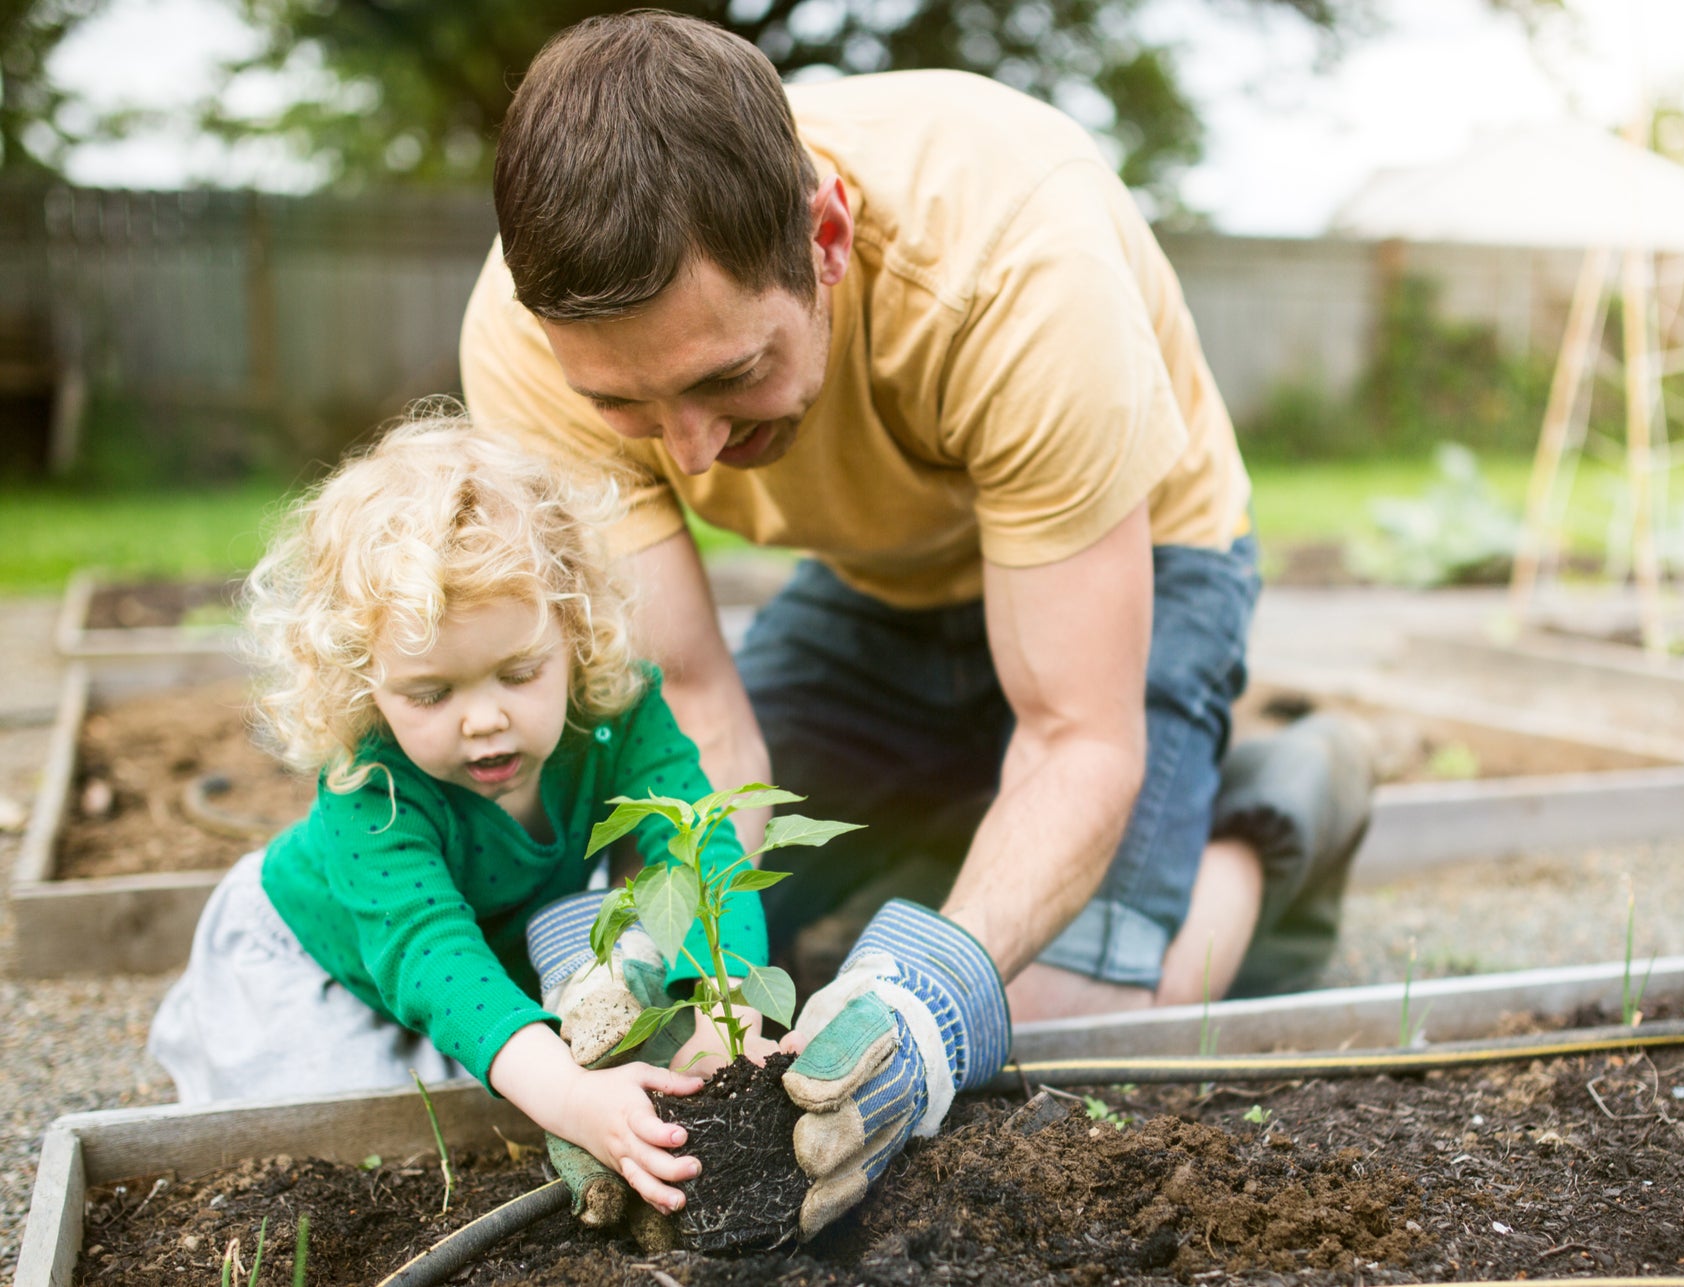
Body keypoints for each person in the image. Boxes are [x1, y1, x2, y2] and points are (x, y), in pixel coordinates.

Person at [459, 12, 1374, 1236]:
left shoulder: (1017, 267)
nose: (691, 451)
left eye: (730, 376)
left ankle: (1272, 814)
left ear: (826, 239)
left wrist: (935, 999)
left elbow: (1073, 737)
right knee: (688, 977)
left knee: (1055, 1022)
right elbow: (699, 715)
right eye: (629, 404)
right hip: (878, 584)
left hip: (1139, 561)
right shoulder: (531, 346)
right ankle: (954, 823)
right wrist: (641, 992)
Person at [147, 413, 776, 1218]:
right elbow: (429, 953)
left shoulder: (617, 710)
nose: (483, 719)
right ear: (362, 680)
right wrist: (573, 1101)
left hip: (480, 941)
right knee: (353, 1141)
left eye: (518, 672)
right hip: (309, 962)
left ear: (573, 633)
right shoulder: (370, 786)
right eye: (431, 693)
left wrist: (729, 1012)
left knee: (520, 1072)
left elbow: (697, 844)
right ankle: (205, 1020)